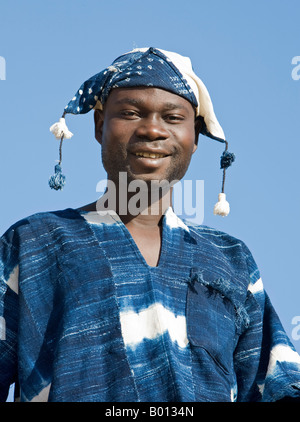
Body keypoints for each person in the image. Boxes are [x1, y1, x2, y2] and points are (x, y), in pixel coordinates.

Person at [1, 47, 300, 403]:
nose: (153, 130)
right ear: (99, 126)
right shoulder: (36, 242)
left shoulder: (230, 260)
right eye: (129, 113)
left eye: (173, 118)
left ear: (196, 139)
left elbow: (276, 384)